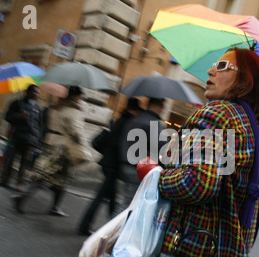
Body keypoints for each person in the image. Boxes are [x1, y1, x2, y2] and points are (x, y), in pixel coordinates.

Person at [138, 47, 259, 257]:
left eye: (222, 66)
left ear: (244, 79)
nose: (211, 70)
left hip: (186, 249)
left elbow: (197, 183)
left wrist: (153, 174)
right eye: (214, 65)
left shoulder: (219, 113)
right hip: (212, 254)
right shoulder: (255, 127)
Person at [11, 86, 89, 217]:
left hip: (50, 143)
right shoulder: (73, 111)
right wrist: (83, 146)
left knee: (59, 179)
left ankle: (54, 207)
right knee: (48, 177)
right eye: (80, 96)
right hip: (63, 148)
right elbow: (76, 132)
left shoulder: (55, 109)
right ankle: (23, 197)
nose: (81, 99)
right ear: (75, 97)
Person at [77, 98, 143, 236]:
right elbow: (121, 146)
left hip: (109, 164)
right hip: (113, 165)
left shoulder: (120, 120)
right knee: (101, 197)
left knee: (111, 198)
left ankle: (110, 226)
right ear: (133, 109)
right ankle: (87, 226)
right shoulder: (127, 123)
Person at [113, 97, 166, 215]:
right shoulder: (153, 122)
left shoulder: (136, 118)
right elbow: (160, 146)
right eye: (161, 105)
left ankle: (117, 229)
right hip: (139, 167)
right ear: (155, 105)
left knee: (128, 199)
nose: (163, 109)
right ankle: (112, 230)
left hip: (125, 164)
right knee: (129, 203)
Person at [0, 84, 43, 191]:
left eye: (38, 93)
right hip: (17, 137)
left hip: (31, 140)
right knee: (9, 160)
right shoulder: (17, 104)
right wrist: (19, 115)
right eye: (34, 92)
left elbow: (39, 125)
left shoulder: (38, 109)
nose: (36, 94)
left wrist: (38, 142)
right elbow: (7, 117)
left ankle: (20, 184)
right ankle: (4, 180)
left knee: (25, 163)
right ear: (28, 93)